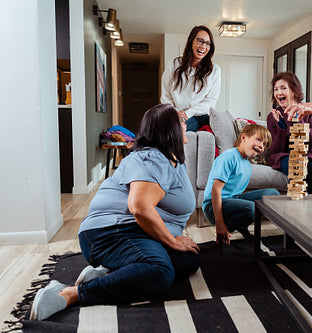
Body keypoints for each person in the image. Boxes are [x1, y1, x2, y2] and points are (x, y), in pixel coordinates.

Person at [30, 104, 201, 321]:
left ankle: (110, 273)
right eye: (181, 120)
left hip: (136, 231)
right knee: (160, 272)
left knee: (190, 259)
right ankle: (70, 294)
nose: (186, 123)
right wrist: (173, 241)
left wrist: (175, 238)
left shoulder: (174, 158)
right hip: (111, 232)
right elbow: (139, 208)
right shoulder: (152, 159)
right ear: (170, 129)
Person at [202, 124, 280, 244]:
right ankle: (224, 231)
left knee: (272, 193)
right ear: (243, 137)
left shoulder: (247, 164)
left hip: (232, 199)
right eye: (259, 140)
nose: (261, 146)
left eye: (264, 144)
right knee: (251, 208)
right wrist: (219, 223)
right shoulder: (229, 157)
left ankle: (241, 227)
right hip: (213, 206)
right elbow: (215, 190)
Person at [267, 72, 312, 194]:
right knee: (297, 168)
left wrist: (298, 120)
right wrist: (282, 128)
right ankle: (297, 209)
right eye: (276, 89)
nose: (278, 92)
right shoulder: (273, 117)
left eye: (283, 88)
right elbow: (276, 149)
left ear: (293, 90)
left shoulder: (310, 111)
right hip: (286, 156)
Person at [160, 25, 221, 132]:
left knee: (175, 131)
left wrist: (186, 114)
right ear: (191, 41)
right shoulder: (173, 65)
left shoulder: (214, 70)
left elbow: (210, 102)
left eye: (207, 43)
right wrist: (176, 113)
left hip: (198, 116)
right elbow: (165, 95)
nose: (203, 46)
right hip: (174, 114)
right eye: (200, 41)